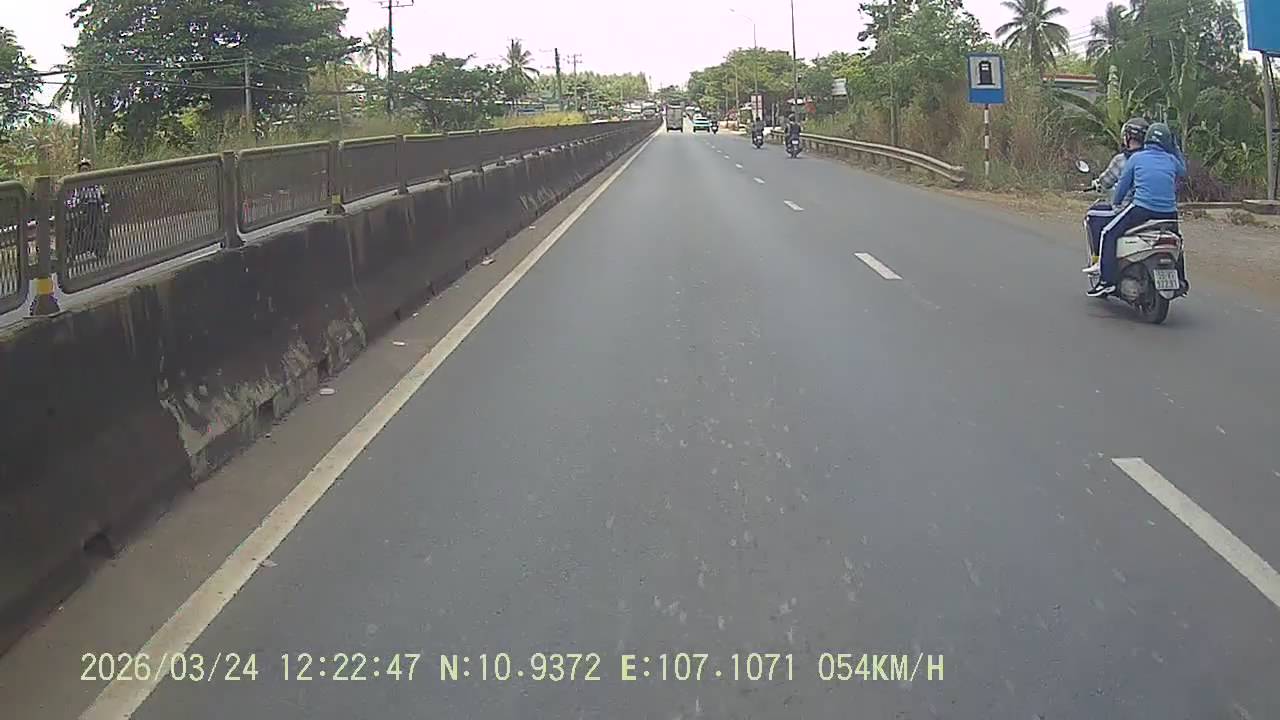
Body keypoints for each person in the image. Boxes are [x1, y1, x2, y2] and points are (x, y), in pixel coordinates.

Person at [1087, 122, 1185, 297]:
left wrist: (1117, 203)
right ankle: (1181, 278)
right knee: (1177, 241)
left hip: (1142, 209)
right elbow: (1183, 171)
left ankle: (1106, 281)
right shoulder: (1171, 160)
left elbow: (1122, 187)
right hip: (1170, 213)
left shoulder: (1136, 159)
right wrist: (1175, 148)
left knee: (1108, 233)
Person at [1084, 117, 1148, 266]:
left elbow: (1108, 183)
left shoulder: (1123, 160)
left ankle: (1099, 261)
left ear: (1128, 137)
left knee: (1095, 219)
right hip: (1156, 212)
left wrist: (1097, 184)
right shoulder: (1154, 159)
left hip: (1130, 210)